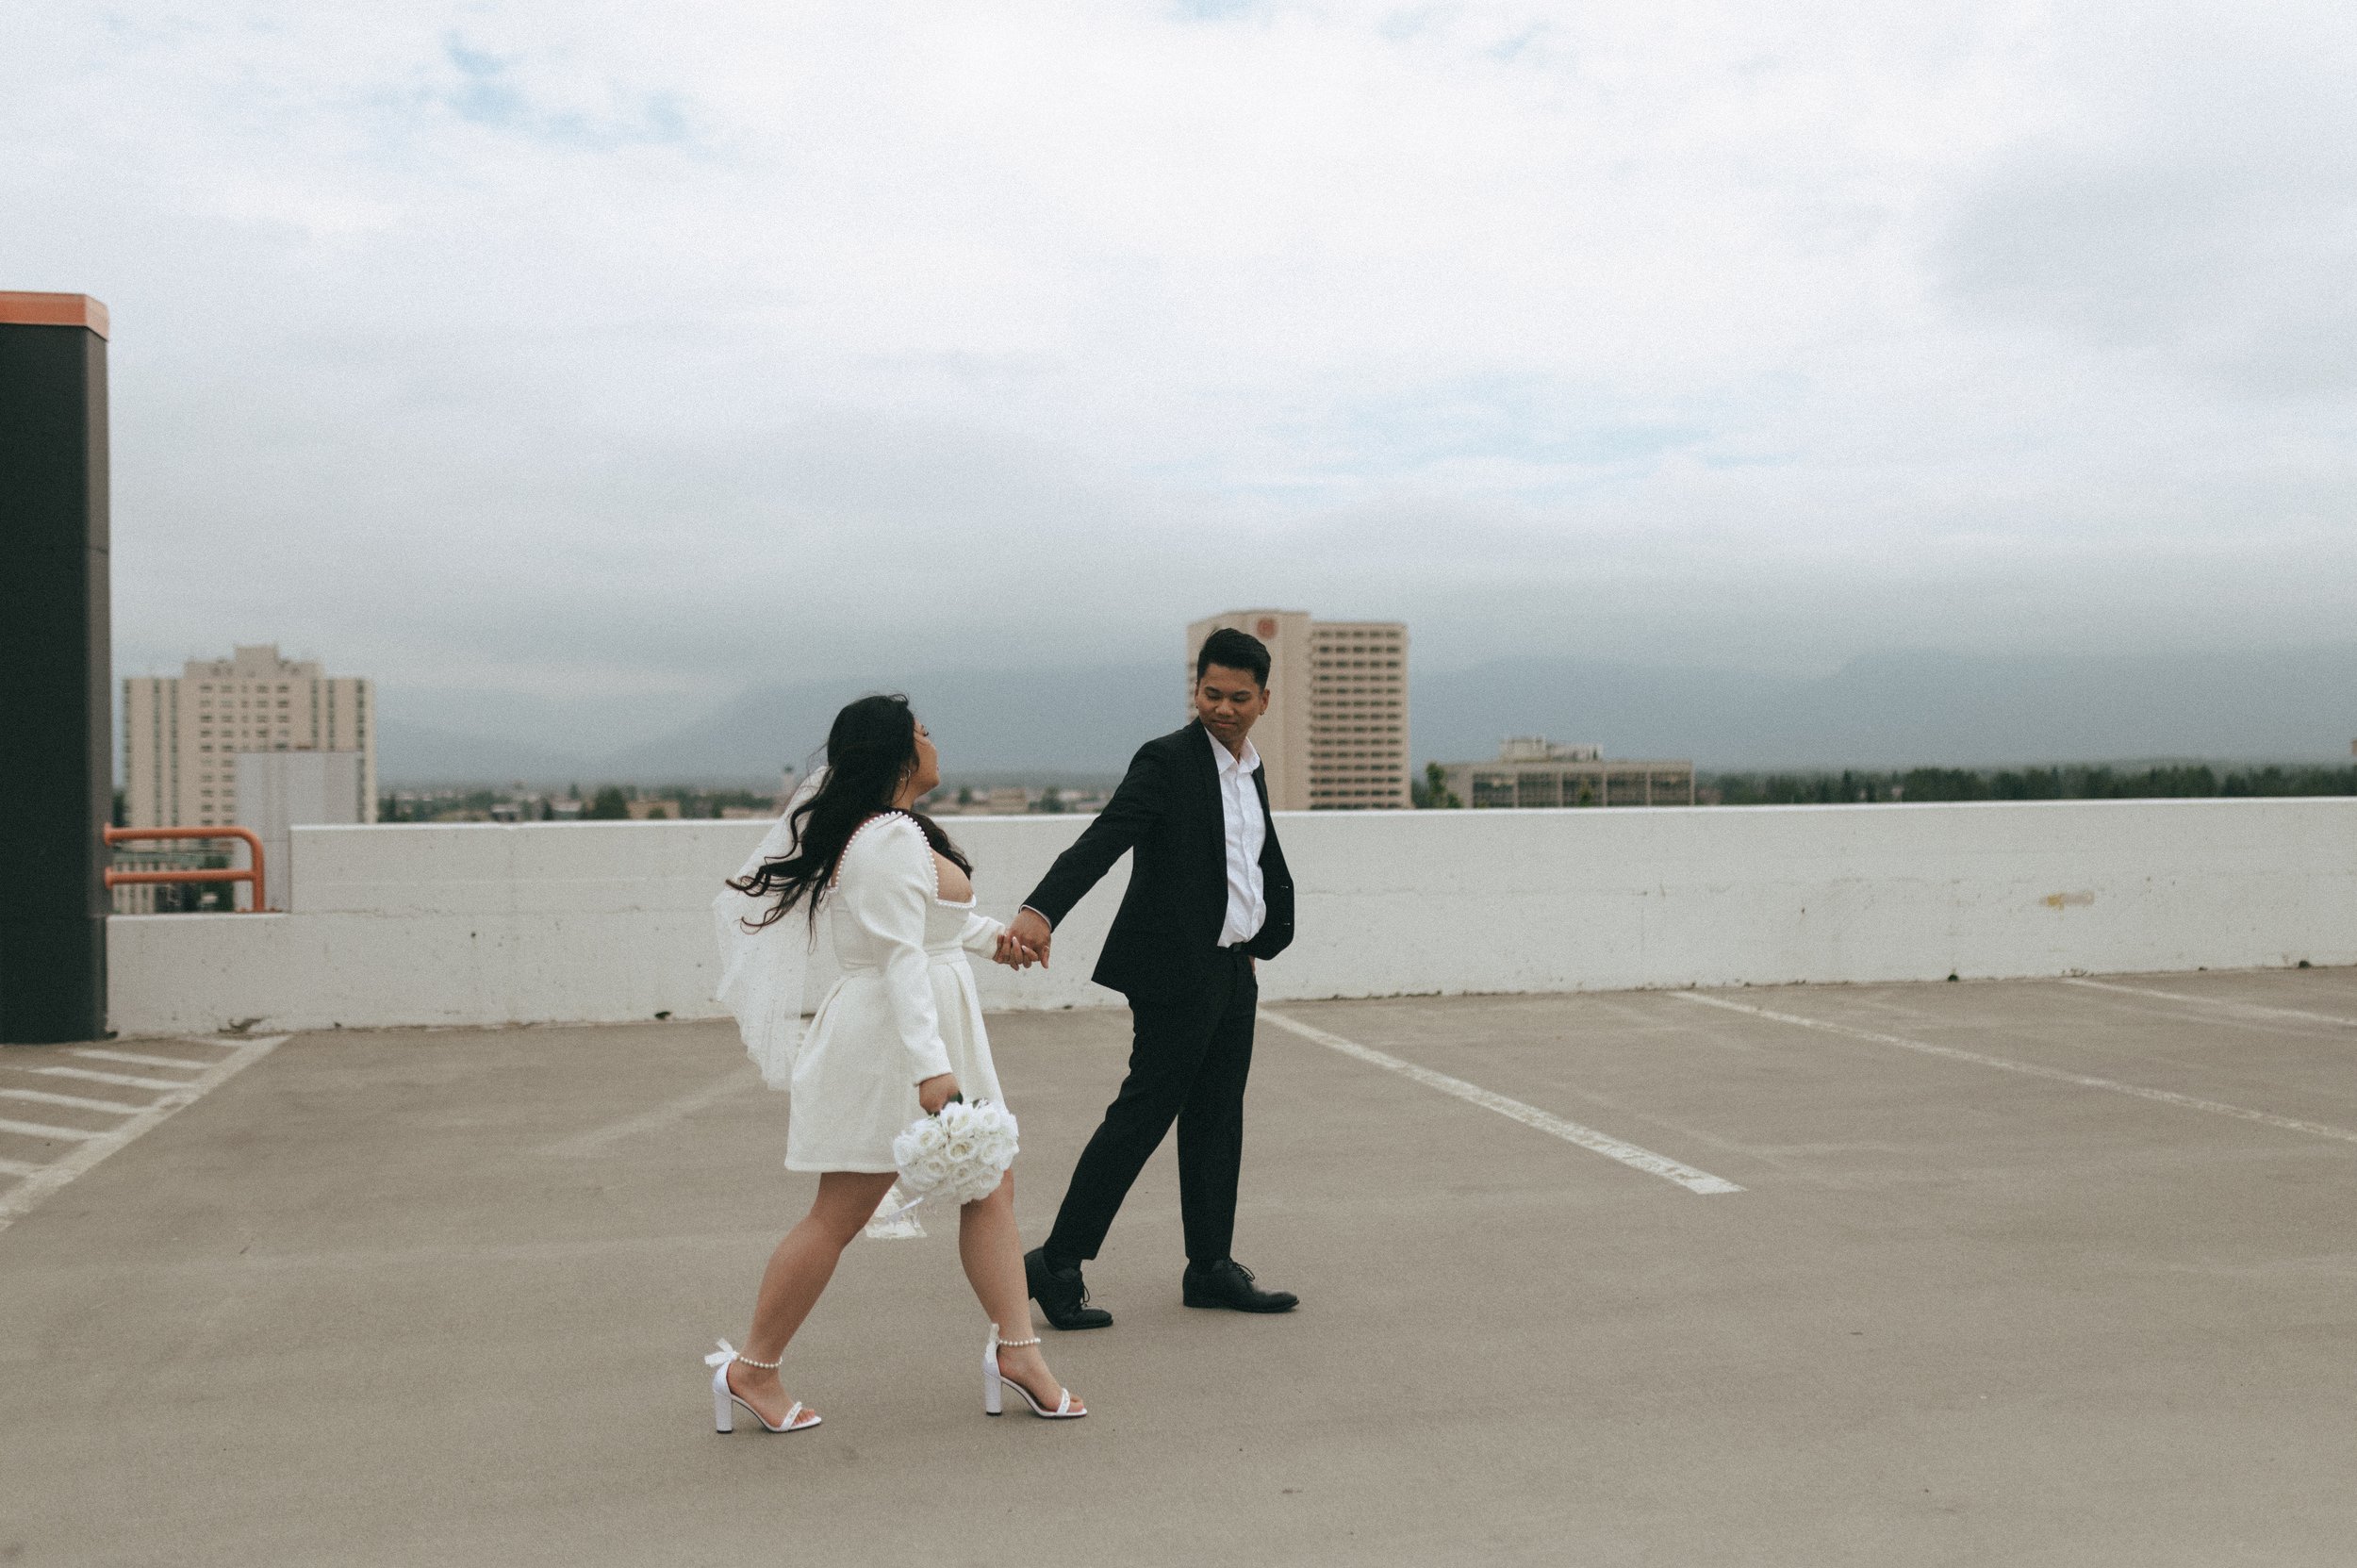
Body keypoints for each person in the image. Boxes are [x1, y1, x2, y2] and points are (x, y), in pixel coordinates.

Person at [704, 694, 1083, 1431]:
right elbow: (899, 958)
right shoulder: (885, 838)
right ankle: (752, 1368)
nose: (936, 742)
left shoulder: (897, 831)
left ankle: (1018, 1351)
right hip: (893, 1041)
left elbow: (929, 926)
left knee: (990, 1183)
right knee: (838, 1214)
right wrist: (930, 1069)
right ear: (900, 754)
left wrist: (992, 939)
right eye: (923, 732)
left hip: (924, 1024)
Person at [1004, 626, 1299, 1329]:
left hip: (1234, 968)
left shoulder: (1249, 768)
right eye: (1210, 693)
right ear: (1195, 689)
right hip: (1175, 972)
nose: (1222, 708)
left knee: (1216, 1119)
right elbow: (1106, 836)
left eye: (1237, 697)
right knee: (1142, 1116)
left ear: (1264, 698)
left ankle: (1209, 1267)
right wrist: (1041, 910)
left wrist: (1258, 933)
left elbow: (1251, 860)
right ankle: (1057, 1262)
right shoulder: (1167, 760)